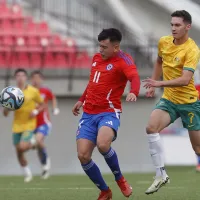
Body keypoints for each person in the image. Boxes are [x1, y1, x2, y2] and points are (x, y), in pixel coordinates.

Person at [72, 28, 140, 200]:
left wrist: (134, 91)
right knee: (83, 155)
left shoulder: (124, 60)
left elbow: (134, 77)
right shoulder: (96, 58)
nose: (100, 50)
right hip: (88, 114)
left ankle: (120, 179)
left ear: (116, 47)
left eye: (104, 47)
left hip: (109, 112)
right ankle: (104, 190)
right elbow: (93, 84)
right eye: (99, 46)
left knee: (103, 144)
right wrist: (81, 99)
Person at [142, 10, 200, 194]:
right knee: (151, 128)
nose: (173, 28)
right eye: (172, 25)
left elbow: (185, 79)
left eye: (177, 25)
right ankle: (160, 175)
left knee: (197, 148)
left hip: (189, 102)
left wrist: (159, 83)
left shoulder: (192, 49)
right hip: (169, 99)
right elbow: (159, 61)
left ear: (187, 27)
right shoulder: (164, 42)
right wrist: (153, 82)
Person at [3, 68, 45, 182]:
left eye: (22, 75)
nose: (20, 78)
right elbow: (5, 114)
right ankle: (27, 173)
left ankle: (33, 142)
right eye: (18, 76)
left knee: (22, 146)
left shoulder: (33, 91)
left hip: (29, 124)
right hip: (17, 126)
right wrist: (7, 107)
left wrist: (35, 111)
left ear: (26, 78)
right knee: (19, 151)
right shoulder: (11, 92)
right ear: (15, 78)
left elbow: (42, 105)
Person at [31, 70, 60, 179]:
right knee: (38, 146)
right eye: (34, 77)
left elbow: (53, 98)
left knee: (38, 141)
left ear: (41, 79)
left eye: (38, 77)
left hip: (44, 122)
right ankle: (44, 165)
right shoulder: (28, 92)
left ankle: (46, 161)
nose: (36, 80)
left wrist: (55, 108)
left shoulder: (45, 91)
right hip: (31, 123)